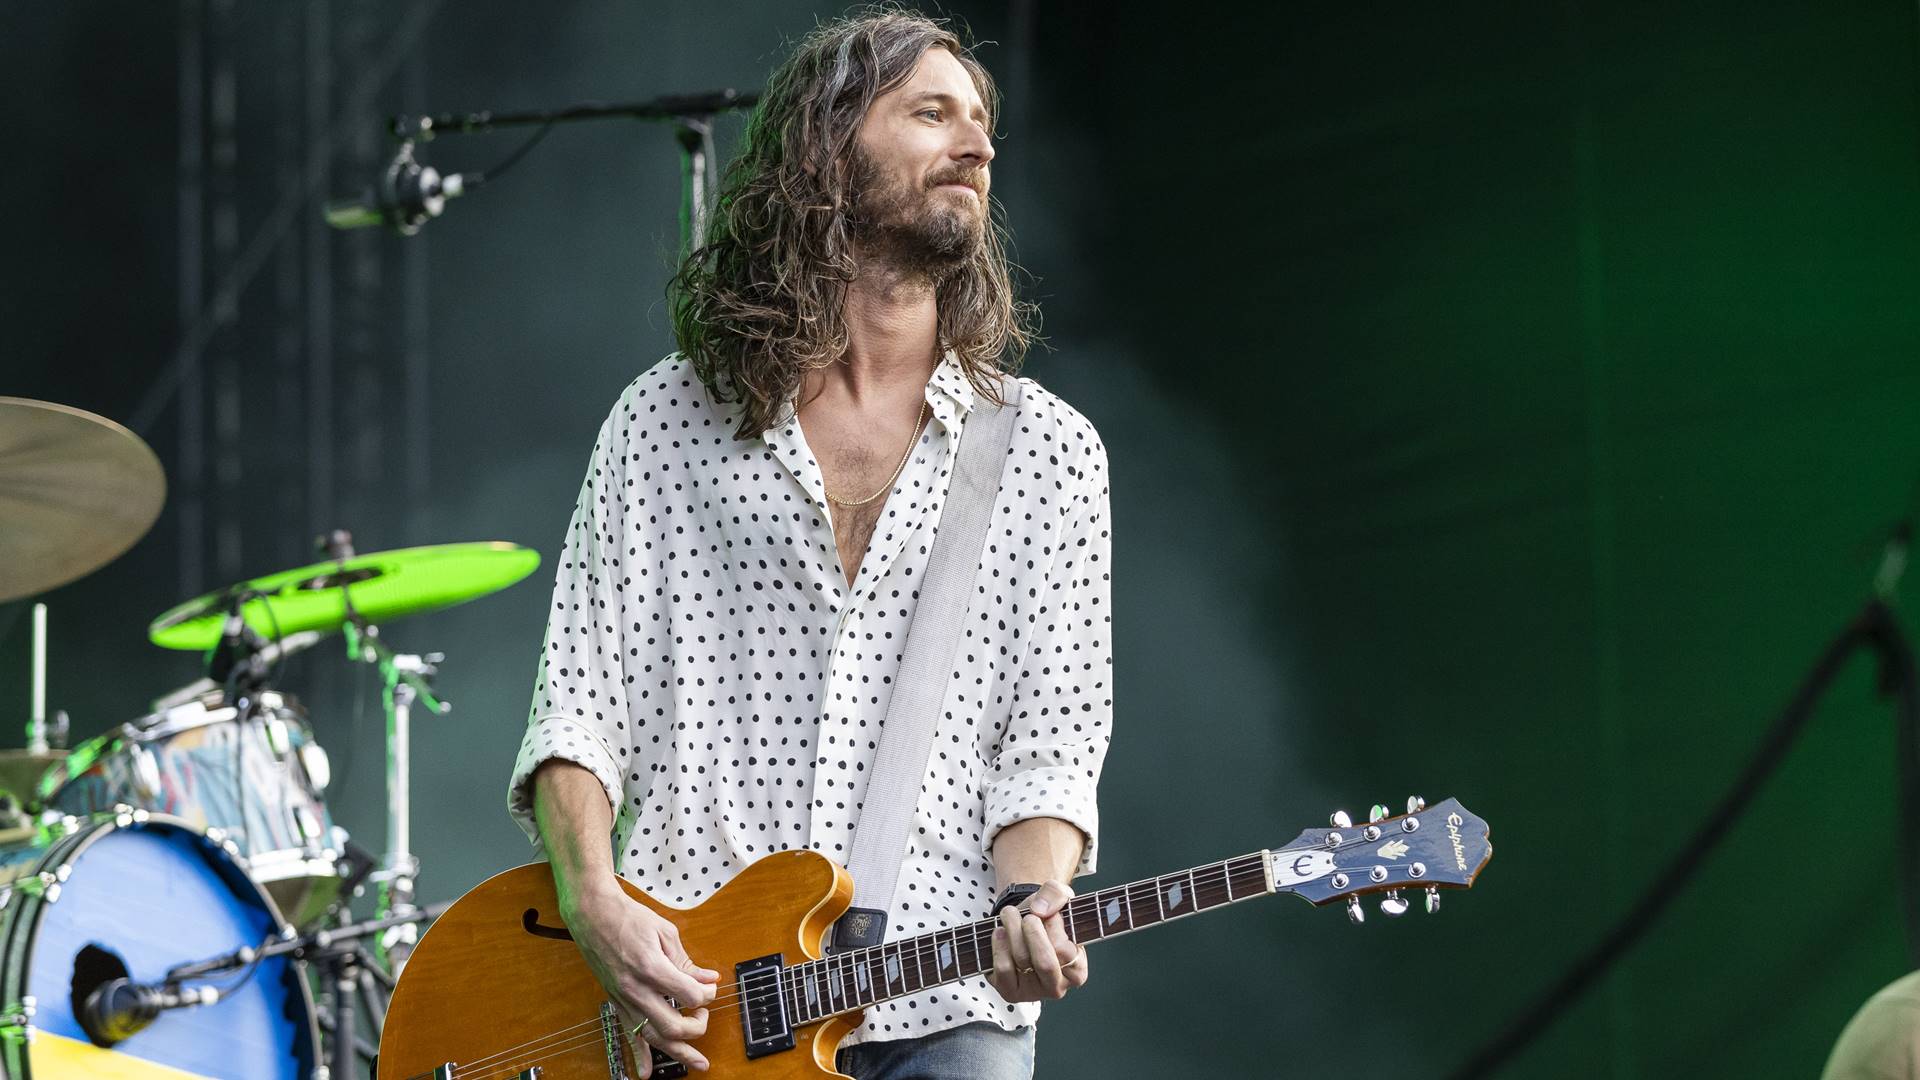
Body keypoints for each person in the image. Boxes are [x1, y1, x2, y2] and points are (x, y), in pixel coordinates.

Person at [506, 8, 1113, 1078]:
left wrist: (1032, 899)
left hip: (944, 995)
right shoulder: (667, 421)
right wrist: (592, 902)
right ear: (827, 152)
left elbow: (1049, 748)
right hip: (691, 1003)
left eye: (981, 124)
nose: (975, 145)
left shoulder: (1047, 454)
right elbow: (580, 708)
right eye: (933, 113)